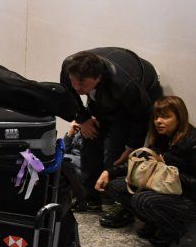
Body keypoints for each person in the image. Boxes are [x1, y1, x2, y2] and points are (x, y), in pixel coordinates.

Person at [60, 47, 163, 212]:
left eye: (82, 83)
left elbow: (141, 116)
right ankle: (89, 197)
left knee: (115, 149)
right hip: (105, 94)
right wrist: (83, 119)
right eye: (74, 81)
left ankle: (112, 200)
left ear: (98, 78)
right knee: (90, 138)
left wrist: (132, 146)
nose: (77, 87)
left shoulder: (125, 85)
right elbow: (68, 95)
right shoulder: (69, 67)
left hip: (140, 91)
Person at [97, 96, 196, 247]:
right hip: (162, 187)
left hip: (187, 197)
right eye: (156, 117)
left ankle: (173, 228)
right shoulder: (162, 138)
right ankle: (154, 222)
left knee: (142, 199)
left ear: (179, 117)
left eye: (165, 117)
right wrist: (109, 172)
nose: (158, 121)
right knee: (114, 185)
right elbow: (140, 163)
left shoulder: (191, 142)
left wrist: (170, 172)